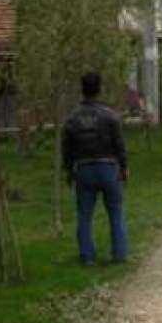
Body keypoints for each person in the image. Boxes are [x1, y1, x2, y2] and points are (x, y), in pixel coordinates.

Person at [62, 72, 129, 265]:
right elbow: (119, 145)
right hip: (108, 167)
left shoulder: (72, 118)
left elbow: (67, 148)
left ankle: (87, 256)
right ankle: (119, 254)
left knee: (84, 215)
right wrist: (124, 167)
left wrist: (69, 170)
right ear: (100, 89)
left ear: (82, 89)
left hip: (84, 169)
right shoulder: (110, 116)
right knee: (116, 212)